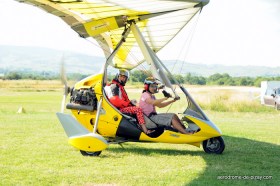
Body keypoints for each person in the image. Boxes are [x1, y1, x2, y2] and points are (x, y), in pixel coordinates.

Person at [105, 69, 153, 134]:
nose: (122, 79)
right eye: (121, 76)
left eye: (124, 77)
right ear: (117, 76)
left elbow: (122, 99)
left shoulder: (119, 86)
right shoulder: (114, 86)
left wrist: (130, 103)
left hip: (121, 107)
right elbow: (115, 100)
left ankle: (143, 126)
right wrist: (128, 103)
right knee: (138, 110)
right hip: (119, 110)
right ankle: (145, 131)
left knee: (139, 107)